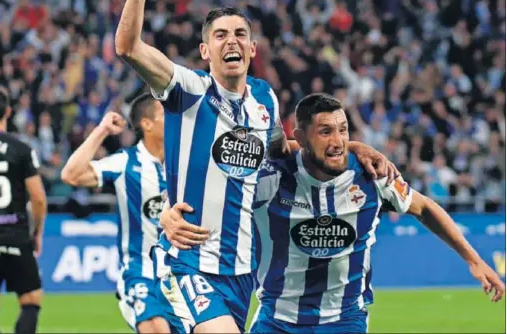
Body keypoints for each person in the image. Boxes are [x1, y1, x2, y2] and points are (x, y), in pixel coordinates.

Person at [116, 0, 396, 333]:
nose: (231, 40)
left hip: (244, 269)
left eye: (240, 34)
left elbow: (284, 153)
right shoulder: (188, 90)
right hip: (190, 260)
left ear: (251, 48)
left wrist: (350, 146)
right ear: (204, 51)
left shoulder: (264, 100)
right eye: (220, 35)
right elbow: (128, 47)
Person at [162, 93, 505, 334]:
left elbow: (425, 207)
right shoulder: (271, 178)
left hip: (345, 320)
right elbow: (209, 191)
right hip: (277, 320)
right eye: (325, 131)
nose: (338, 140)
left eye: (343, 130)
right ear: (300, 137)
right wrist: (167, 212)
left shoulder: (373, 175)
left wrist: (473, 260)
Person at [61, 93, 172, 334]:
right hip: (140, 270)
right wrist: (101, 130)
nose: (172, 118)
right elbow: (71, 174)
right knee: (156, 327)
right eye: (164, 114)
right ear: (147, 124)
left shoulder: (182, 161)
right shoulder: (125, 162)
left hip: (181, 272)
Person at [0, 86, 47, 334]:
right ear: (8, 112)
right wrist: (36, 232)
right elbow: (37, 198)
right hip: (15, 235)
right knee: (31, 300)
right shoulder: (20, 149)